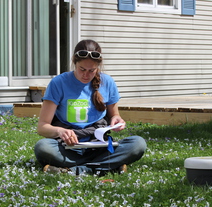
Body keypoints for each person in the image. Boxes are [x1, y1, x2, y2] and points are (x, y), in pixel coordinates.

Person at [34, 39, 146, 175]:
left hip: (99, 145)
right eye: (82, 69)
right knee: (43, 147)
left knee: (138, 144)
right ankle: (107, 165)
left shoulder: (108, 82)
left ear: (98, 67)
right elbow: (42, 127)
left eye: (91, 71)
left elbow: (115, 115)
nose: (86, 75)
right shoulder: (58, 83)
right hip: (67, 147)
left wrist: (116, 120)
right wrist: (60, 132)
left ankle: (77, 170)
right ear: (74, 63)